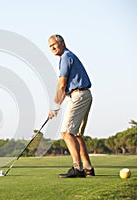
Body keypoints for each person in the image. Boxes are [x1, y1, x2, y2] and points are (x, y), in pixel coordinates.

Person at [48, 35, 95, 178]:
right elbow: (65, 88)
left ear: (63, 43)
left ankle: (78, 168)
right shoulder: (68, 56)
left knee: (66, 133)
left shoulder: (65, 57)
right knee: (76, 134)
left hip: (79, 95)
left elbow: (62, 85)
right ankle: (87, 168)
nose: (53, 48)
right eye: (50, 46)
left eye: (55, 44)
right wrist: (57, 105)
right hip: (84, 95)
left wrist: (55, 106)